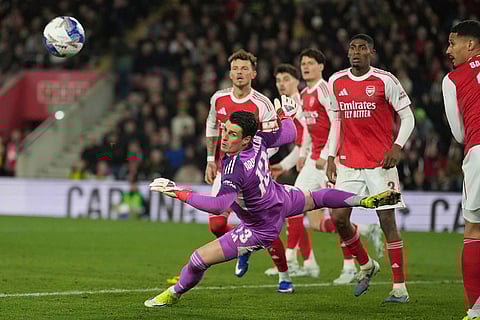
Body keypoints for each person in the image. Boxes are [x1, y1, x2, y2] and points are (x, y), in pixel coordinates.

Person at [144, 106, 402, 308]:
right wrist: (285, 116)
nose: (225, 138)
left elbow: (218, 205)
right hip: (280, 198)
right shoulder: (258, 141)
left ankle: (173, 294)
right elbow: (289, 134)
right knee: (320, 197)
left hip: (261, 226)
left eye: (232, 134)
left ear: (245, 140)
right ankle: (364, 200)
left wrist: (178, 192)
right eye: (225, 131)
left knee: (198, 259)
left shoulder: (233, 169)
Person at [326, 34, 415, 302]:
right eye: (352, 47)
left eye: (362, 48)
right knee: (338, 218)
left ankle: (399, 288)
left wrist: (397, 147)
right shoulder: (336, 81)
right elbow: (337, 121)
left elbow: (407, 116)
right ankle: (366, 265)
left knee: (387, 220)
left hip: (380, 164)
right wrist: (331, 156)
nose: (356, 52)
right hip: (348, 164)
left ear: (371, 52)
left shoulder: (384, 80)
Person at [204, 49, 278, 277]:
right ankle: (244, 246)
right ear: (229, 73)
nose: (239, 72)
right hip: (225, 171)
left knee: (264, 226)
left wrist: (255, 161)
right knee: (216, 225)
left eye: (245, 68)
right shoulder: (218, 98)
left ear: (254, 74)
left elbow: (273, 140)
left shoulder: (262, 103)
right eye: (235, 68)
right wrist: (210, 159)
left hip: (252, 176)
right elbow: (211, 126)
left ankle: (284, 274)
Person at [441, 20, 480, 320]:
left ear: (470, 45)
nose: (448, 50)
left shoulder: (453, 79)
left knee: (474, 230)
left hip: (478, 149)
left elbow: (458, 134)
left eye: (453, 44)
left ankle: (476, 309)